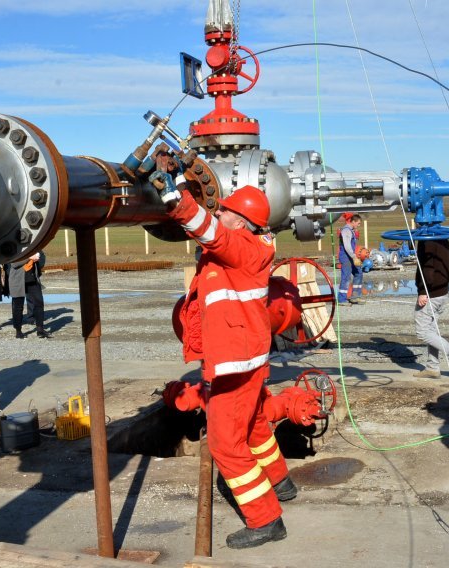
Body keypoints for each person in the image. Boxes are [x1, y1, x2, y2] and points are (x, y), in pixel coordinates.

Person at [152, 169, 296, 549]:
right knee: (254, 425)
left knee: (225, 445)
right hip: (247, 360)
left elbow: (211, 232)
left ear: (243, 222)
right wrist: (180, 187)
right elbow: (209, 236)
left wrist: (178, 199)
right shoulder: (244, 247)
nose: (220, 213)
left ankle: (265, 520)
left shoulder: (242, 247)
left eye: (227, 211)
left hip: (233, 364)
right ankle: (280, 482)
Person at [413, 238, 449, 379]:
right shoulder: (443, 238)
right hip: (442, 292)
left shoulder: (427, 241)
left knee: (422, 332)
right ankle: (432, 367)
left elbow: (428, 268)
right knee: (432, 331)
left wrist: (423, 291)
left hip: (430, 293)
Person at [9, 251, 51, 339]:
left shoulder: (33, 246)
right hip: (18, 281)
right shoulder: (16, 247)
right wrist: (29, 258)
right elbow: (14, 263)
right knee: (18, 307)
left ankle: (40, 329)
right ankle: (18, 331)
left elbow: (41, 257)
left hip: (33, 279)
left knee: (39, 303)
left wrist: (37, 259)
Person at [337, 212, 363, 305]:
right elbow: (347, 246)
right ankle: (341, 299)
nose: (359, 225)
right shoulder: (346, 231)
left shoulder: (351, 230)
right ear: (353, 222)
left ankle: (355, 297)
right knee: (346, 277)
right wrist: (354, 257)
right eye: (358, 223)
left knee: (358, 273)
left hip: (351, 256)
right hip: (346, 257)